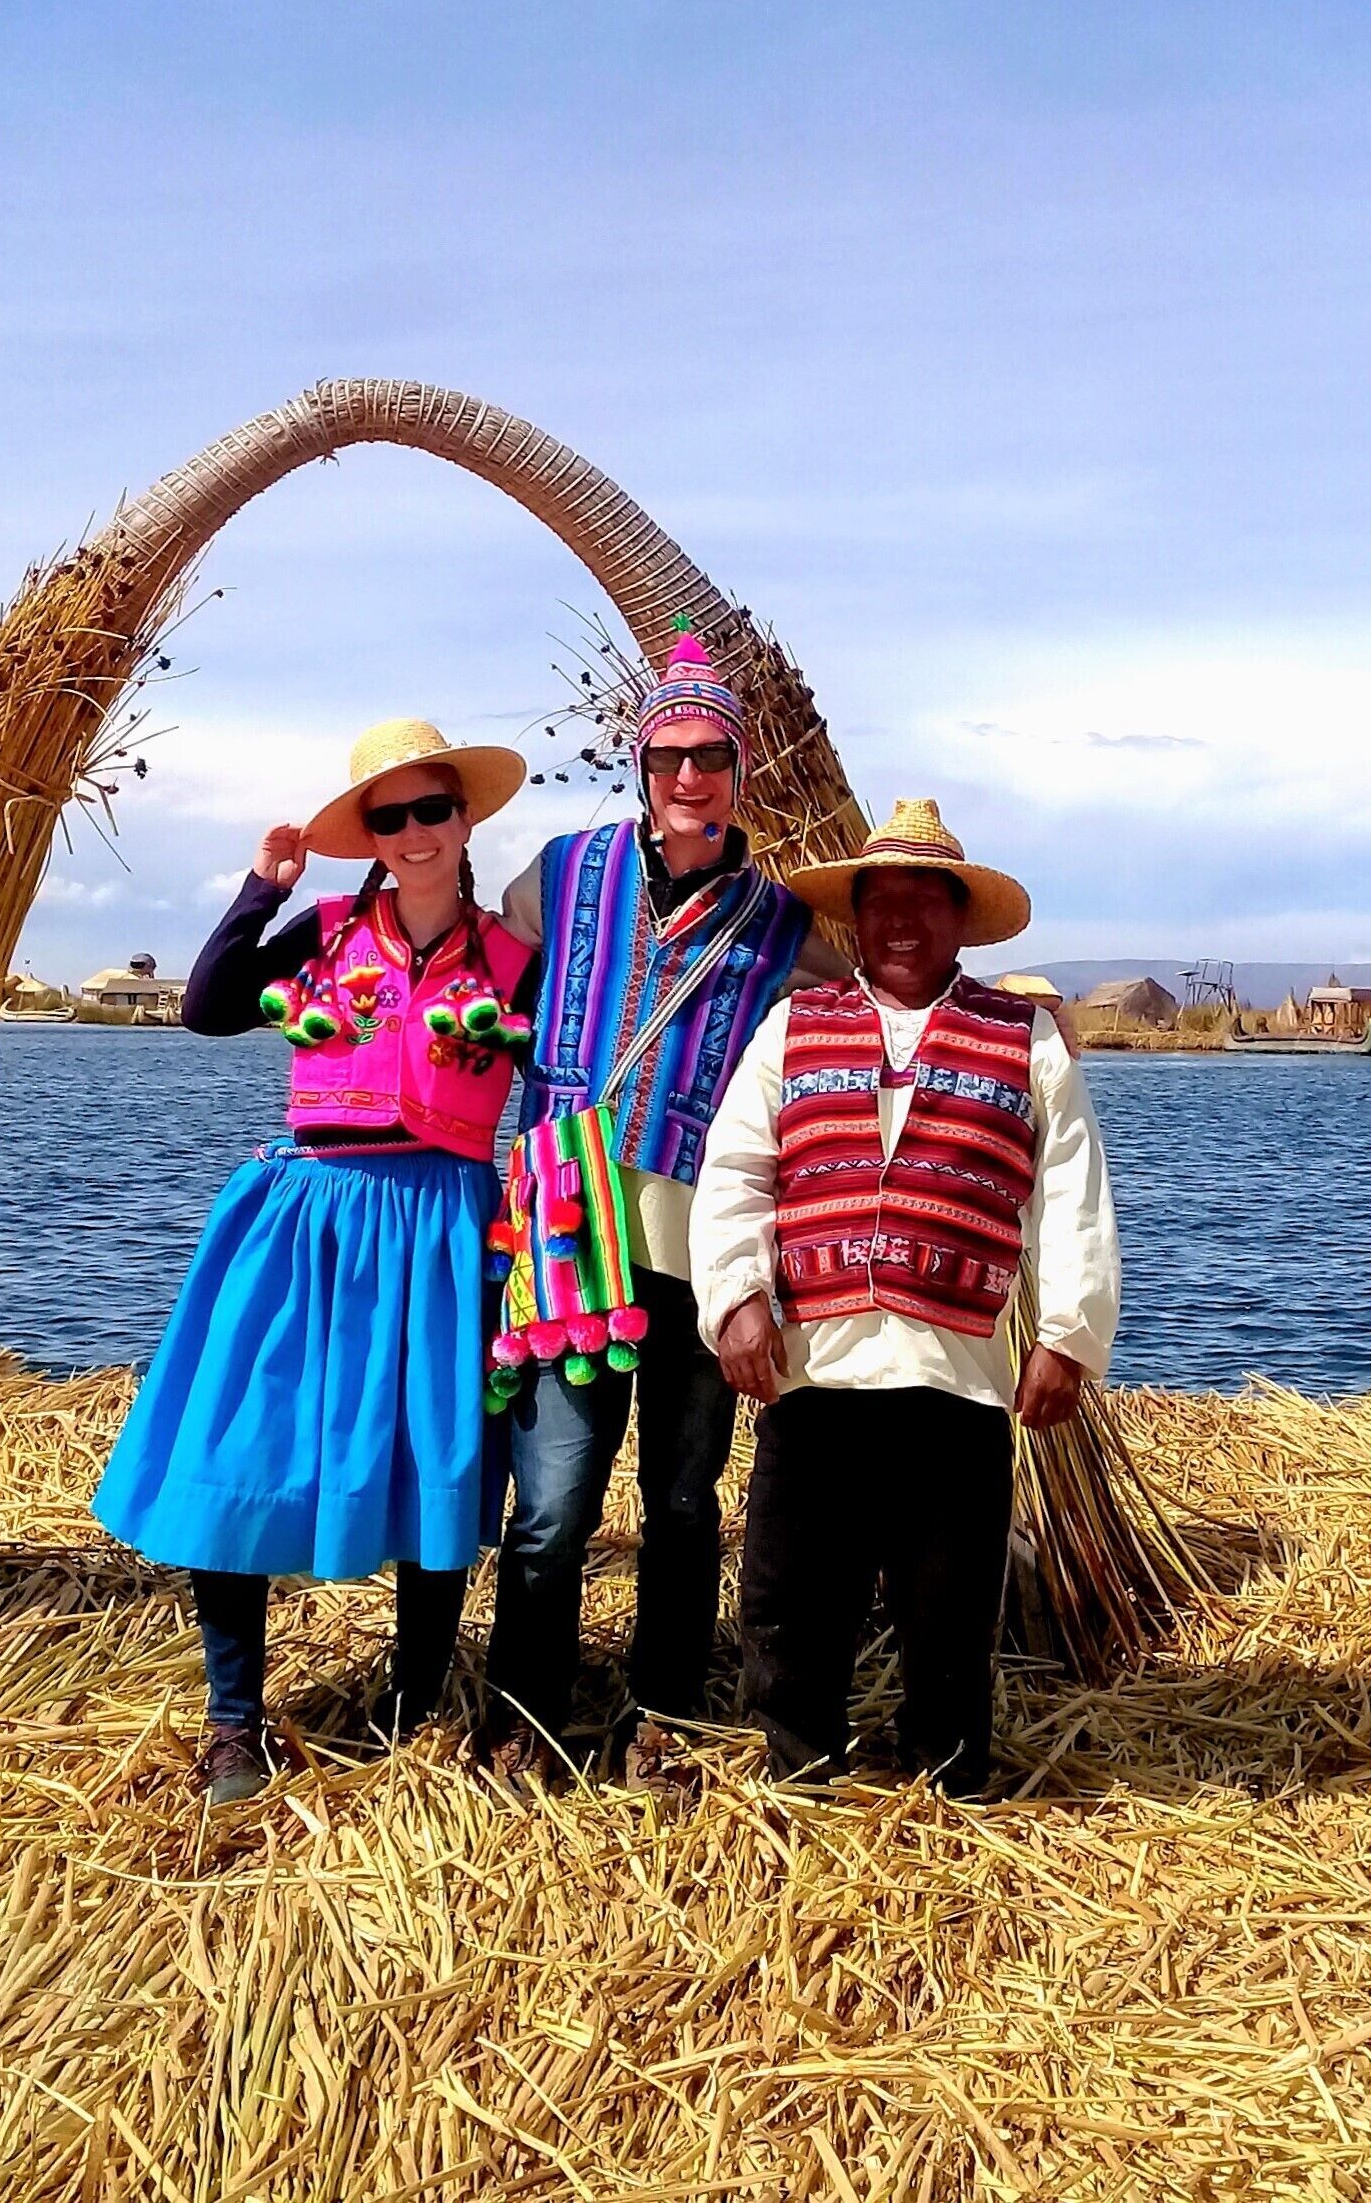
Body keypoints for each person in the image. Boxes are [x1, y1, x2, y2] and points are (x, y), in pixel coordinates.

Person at [92, 720, 535, 1805]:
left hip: (441, 1219)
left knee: (433, 1451)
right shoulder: (322, 928)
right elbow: (205, 1010)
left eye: (432, 809)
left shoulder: (514, 962)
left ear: (464, 819)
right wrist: (260, 886)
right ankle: (233, 1718)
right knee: (246, 1439)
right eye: (389, 817)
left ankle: (411, 1702)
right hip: (312, 1213)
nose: (414, 832)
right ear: (369, 836)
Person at [690, 798, 1118, 1798]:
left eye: (924, 901)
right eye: (881, 900)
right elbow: (736, 1172)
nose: (899, 920)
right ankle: (803, 1768)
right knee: (793, 1589)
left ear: (959, 918)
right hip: (818, 1368)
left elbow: (1070, 1193)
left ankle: (949, 1772)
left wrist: (1066, 1335)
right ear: (855, 917)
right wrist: (738, 1296)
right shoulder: (794, 1027)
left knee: (949, 1597)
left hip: (955, 1374)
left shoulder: (1025, 1042)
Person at [484, 626, 848, 1782]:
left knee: (684, 1499)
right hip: (566, 1236)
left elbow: (840, 1036)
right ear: (639, 767)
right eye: (667, 756)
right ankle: (524, 1710)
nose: (687, 777)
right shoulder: (558, 873)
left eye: (709, 758)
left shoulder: (782, 924)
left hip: (698, 1250)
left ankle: (661, 1713)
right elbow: (486, 983)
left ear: (741, 775)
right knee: (551, 1502)